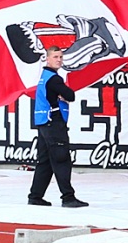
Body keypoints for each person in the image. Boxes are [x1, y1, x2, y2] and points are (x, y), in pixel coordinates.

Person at [27, 45, 88, 209]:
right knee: (61, 160)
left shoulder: (44, 76)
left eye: (60, 57)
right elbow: (70, 95)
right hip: (53, 123)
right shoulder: (54, 79)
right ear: (47, 59)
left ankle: (35, 196)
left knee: (45, 162)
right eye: (55, 57)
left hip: (43, 122)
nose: (59, 60)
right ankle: (68, 197)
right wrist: (64, 94)